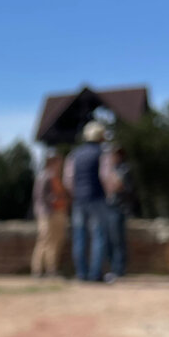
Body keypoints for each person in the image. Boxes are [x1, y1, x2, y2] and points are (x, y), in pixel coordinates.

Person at [63, 121, 115, 282]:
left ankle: (81, 273)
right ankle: (95, 274)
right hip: (97, 198)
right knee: (99, 235)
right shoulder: (103, 153)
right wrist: (109, 194)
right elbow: (105, 177)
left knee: (79, 236)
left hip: (79, 200)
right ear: (101, 137)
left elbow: (68, 179)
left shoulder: (74, 154)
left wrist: (76, 194)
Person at [30, 151, 70, 278]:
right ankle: (38, 270)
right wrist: (54, 200)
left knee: (56, 241)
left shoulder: (57, 177)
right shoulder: (43, 176)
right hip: (47, 213)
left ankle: (51, 269)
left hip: (58, 212)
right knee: (45, 240)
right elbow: (40, 197)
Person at [103, 146, 136, 282]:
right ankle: (114, 268)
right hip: (110, 208)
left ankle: (118, 270)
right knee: (110, 240)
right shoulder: (112, 169)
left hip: (119, 208)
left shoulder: (124, 169)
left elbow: (124, 188)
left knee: (117, 241)